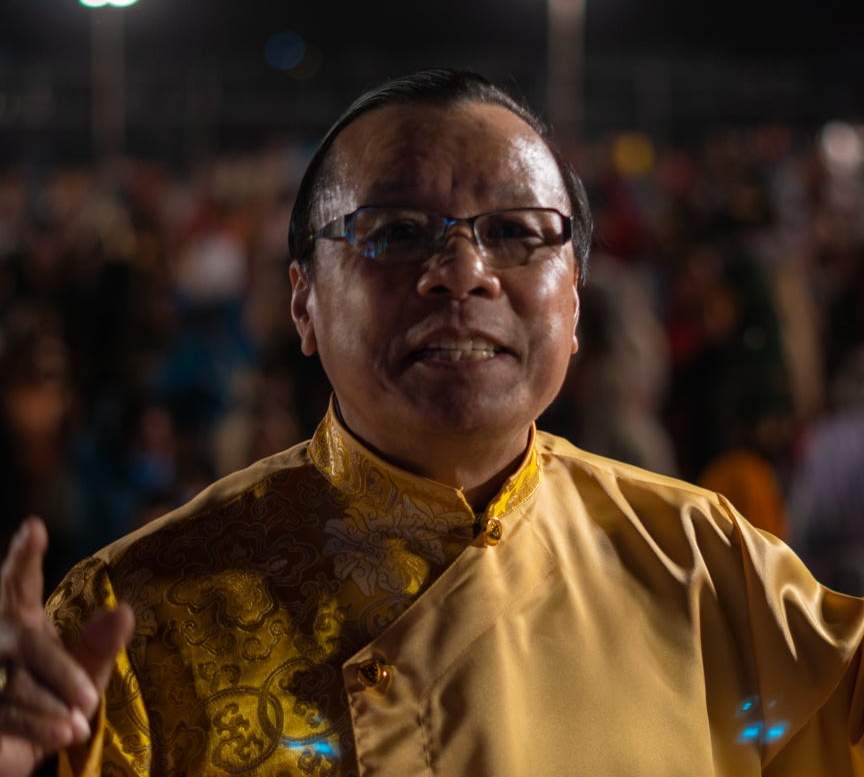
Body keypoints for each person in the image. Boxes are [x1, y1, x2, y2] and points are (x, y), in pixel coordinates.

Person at [1, 68, 863, 776]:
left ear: (575, 302)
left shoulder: (701, 561)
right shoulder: (132, 616)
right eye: (397, 231)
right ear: (302, 302)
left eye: (518, 232)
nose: (462, 273)